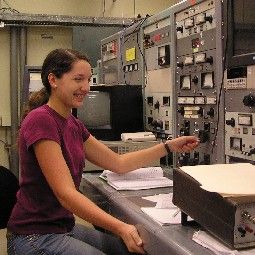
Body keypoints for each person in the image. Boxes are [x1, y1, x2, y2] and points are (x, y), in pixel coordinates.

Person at [7, 48, 199, 255]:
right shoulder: (41, 119)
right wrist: (120, 227)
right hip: (35, 235)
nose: (85, 87)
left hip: (61, 227)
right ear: (53, 80)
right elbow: (66, 194)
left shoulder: (72, 123)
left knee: (127, 251)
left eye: (88, 80)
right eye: (78, 79)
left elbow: (118, 163)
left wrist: (169, 146)